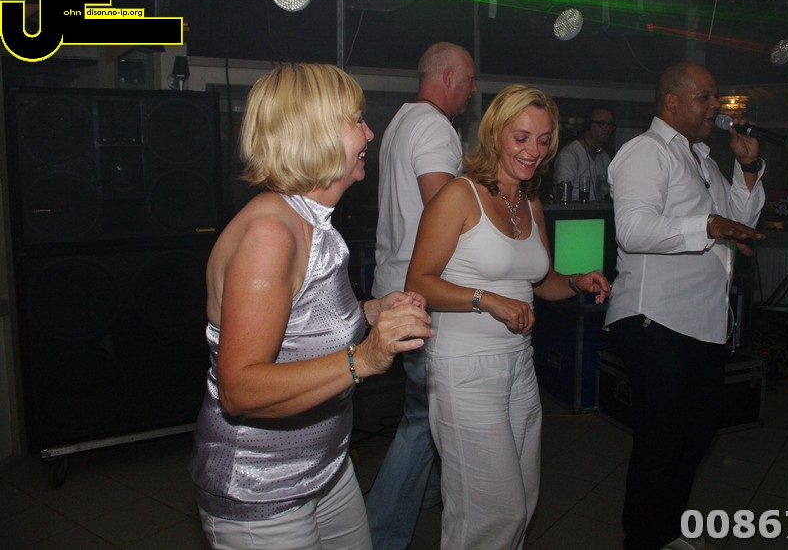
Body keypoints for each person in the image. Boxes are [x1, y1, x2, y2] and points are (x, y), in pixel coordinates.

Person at [188, 63, 433, 550]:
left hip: (326, 468)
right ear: (315, 131)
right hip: (263, 489)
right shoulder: (270, 234)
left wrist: (372, 312)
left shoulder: (310, 220)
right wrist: (365, 358)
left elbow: (302, 322)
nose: (369, 133)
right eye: (357, 120)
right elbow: (240, 388)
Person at [405, 84, 610, 549]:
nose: (533, 150)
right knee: (491, 514)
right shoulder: (459, 195)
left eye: (543, 140)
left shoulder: (529, 202)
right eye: (521, 138)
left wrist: (575, 281)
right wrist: (487, 300)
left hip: (519, 365)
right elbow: (418, 282)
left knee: (522, 504)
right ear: (495, 134)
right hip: (464, 368)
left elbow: (538, 282)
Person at [603, 61, 766, 550]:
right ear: (672, 101)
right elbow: (633, 230)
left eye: (716, 97)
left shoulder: (703, 159)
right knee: (663, 437)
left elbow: (737, 222)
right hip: (656, 317)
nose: (716, 106)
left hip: (702, 320)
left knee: (696, 432)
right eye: (705, 97)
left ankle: (664, 531)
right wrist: (707, 226)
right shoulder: (646, 152)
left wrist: (747, 168)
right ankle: (642, 539)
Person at [366, 42, 478, 549]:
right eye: (469, 80)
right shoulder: (434, 127)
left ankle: (428, 492)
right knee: (421, 418)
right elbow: (445, 211)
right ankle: (381, 534)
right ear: (448, 78)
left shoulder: (402, 121)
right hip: (419, 293)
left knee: (424, 409)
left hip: (396, 284)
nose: (472, 90)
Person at [553, 104, 615, 201]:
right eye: (602, 124)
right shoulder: (570, 155)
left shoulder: (604, 157)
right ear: (588, 125)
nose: (607, 129)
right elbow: (562, 195)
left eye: (610, 125)